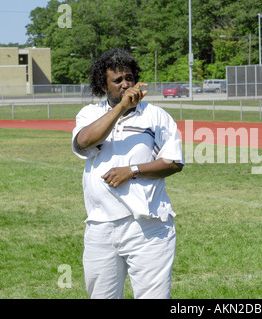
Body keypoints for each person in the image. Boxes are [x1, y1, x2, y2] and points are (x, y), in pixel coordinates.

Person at [72, 48, 184, 299]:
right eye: (118, 80)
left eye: (130, 78)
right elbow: (84, 142)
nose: (126, 84)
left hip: (148, 225)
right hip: (101, 226)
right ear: (104, 84)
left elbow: (174, 162)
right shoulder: (90, 114)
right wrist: (121, 108)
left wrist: (132, 170)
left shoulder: (156, 116)